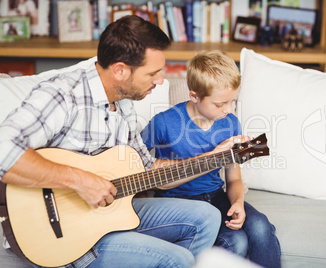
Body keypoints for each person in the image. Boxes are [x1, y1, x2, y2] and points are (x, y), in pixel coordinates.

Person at [0, 16, 245, 268]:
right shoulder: (63, 94)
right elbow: (3, 151)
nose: (161, 80)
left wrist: (213, 158)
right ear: (120, 70)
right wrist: (80, 181)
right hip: (63, 234)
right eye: (153, 73)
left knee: (207, 216)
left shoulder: (125, 104)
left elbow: (149, 171)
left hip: (111, 212)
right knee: (177, 259)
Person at [140, 50, 281, 268]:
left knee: (261, 227)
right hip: (178, 201)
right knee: (236, 241)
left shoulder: (230, 122)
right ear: (194, 96)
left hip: (215, 196)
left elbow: (233, 179)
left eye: (232, 101)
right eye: (219, 104)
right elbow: (133, 160)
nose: (228, 110)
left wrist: (238, 203)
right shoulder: (164, 122)